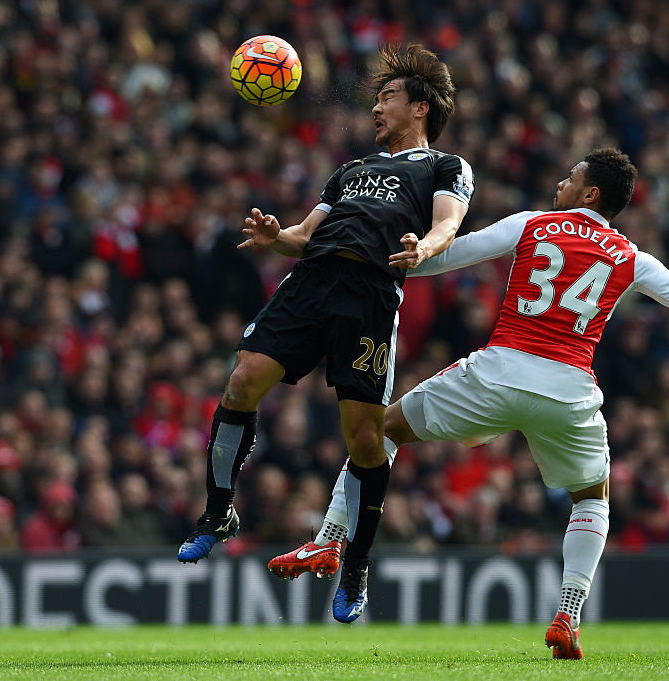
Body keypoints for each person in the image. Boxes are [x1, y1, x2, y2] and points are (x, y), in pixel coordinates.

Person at [267, 148, 669, 656]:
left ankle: (330, 541)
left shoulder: (531, 224)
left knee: (381, 431)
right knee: (592, 497)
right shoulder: (631, 256)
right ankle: (568, 614)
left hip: (499, 371)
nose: (560, 183)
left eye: (570, 177)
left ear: (591, 192)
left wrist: (402, 251)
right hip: (568, 391)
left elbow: (442, 258)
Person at [175, 44, 474, 627]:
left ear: (421, 107)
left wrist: (423, 249)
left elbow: (447, 224)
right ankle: (218, 512)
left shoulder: (444, 167)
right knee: (241, 381)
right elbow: (305, 235)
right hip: (312, 281)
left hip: (369, 295)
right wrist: (276, 237)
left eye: (388, 98)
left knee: (363, 438)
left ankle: (355, 561)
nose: (376, 109)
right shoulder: (350, 170)